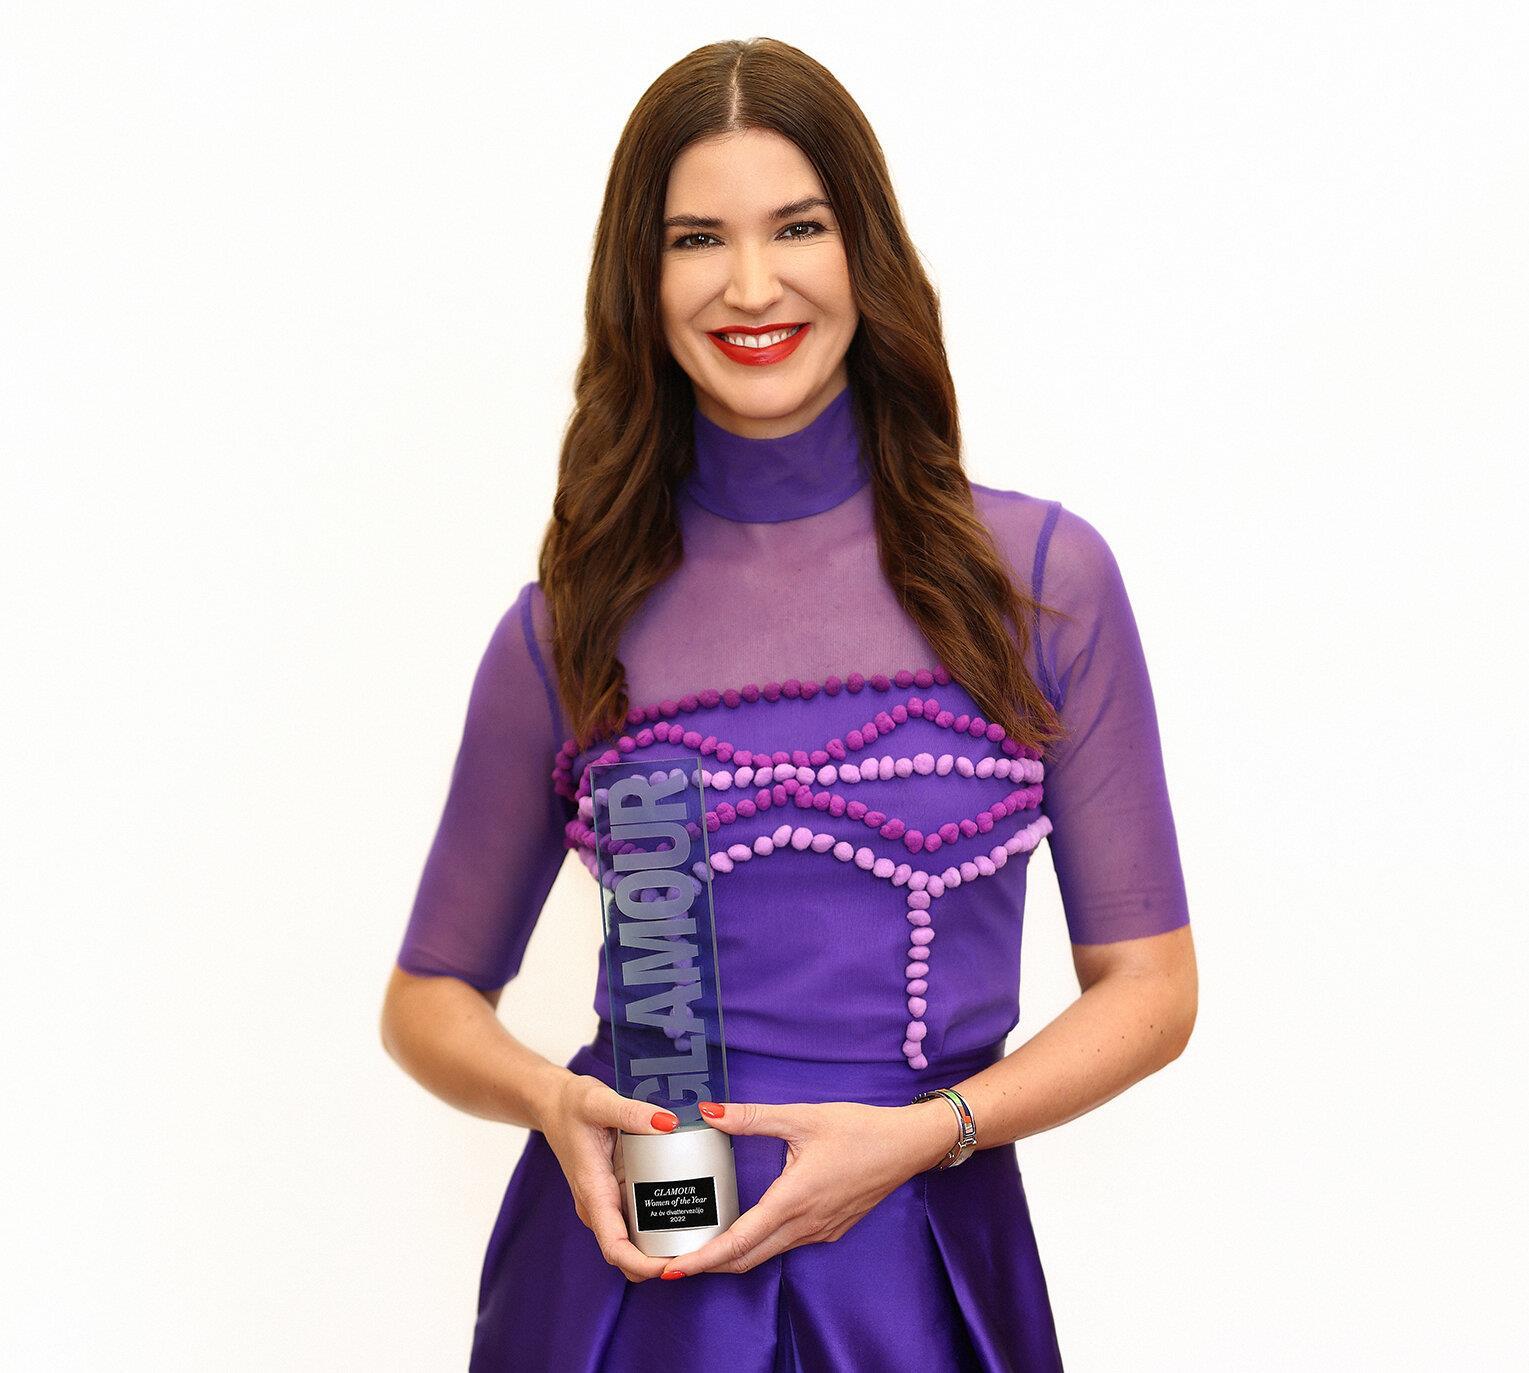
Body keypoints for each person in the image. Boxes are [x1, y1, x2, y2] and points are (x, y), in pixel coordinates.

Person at [380, 36, 1197, 1373]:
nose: (751, 285)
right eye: (696, 238)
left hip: (916, 1271)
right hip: (627, 1288)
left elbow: (1152, 986)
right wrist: (550, 1101)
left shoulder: (1041, 583)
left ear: (865, 250)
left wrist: (934, 1131)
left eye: (797, 227)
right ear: (641, 280)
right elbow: (428, 997)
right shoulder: (567, 624)